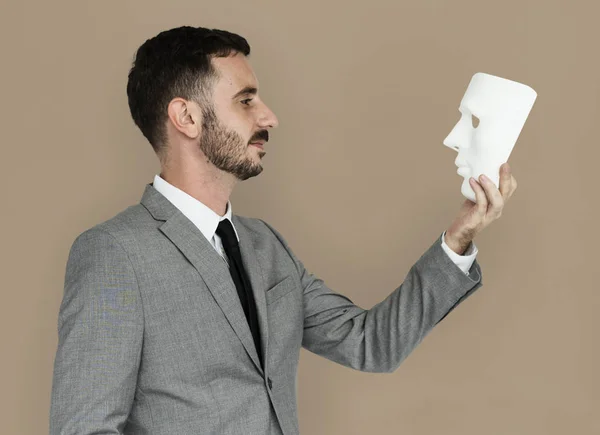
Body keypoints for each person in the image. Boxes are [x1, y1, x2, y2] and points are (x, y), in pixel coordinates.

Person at [49, 26, 517, 435]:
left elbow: (371, 343)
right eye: (246, 101)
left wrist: (459, 237)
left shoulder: (265, 245)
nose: (269, 117)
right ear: (186, 117)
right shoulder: (113, 253)